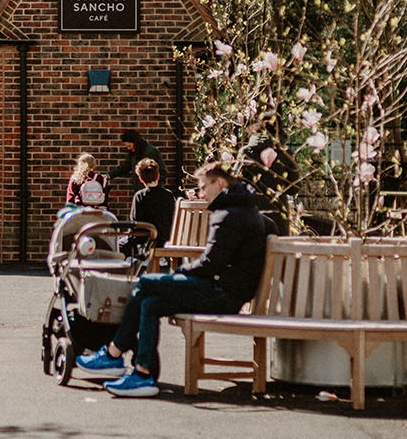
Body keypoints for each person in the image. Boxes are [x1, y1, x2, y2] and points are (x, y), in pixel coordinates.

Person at [74, 162, 276, 397]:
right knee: (151, 303)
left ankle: (115, 355)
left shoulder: (229, 215)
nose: (201, 194)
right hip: (228, 290)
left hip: (222, 293)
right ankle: (141, 372)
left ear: (219, 183)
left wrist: (175, 275)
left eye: (203, 187)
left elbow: (210, 264)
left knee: (145, 283)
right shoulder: (245, 211)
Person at [120, 158, 176, 258]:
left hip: (144, 240)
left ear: (140, 179)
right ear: (158, 176)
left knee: (118, 245)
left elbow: (135, 222)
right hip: (165, 239)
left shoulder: (140, 196)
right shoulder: (168, 195)